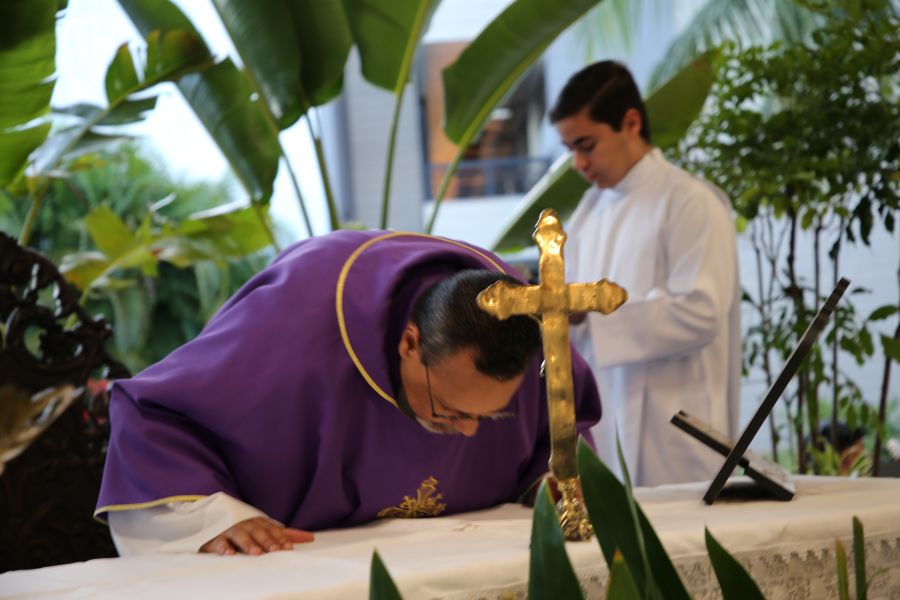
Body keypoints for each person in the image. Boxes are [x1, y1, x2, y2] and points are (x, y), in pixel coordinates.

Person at [96, 229, 601, 556]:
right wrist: (210, 518)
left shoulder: (519, 324)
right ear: (409, 343)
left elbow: (564, 427)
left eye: (490, 417)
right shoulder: (289, 329)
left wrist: (554, 481)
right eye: (448, 410)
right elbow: (151, 413)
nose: (468, 431)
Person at [549, 61, 741, 486]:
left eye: (586, 144)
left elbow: (701, 312)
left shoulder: (690, 202)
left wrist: (590, 310)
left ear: (631, 123)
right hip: (607, 419)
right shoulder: (586, 214)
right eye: (570, 149)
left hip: (675, 430)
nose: (578, 163)